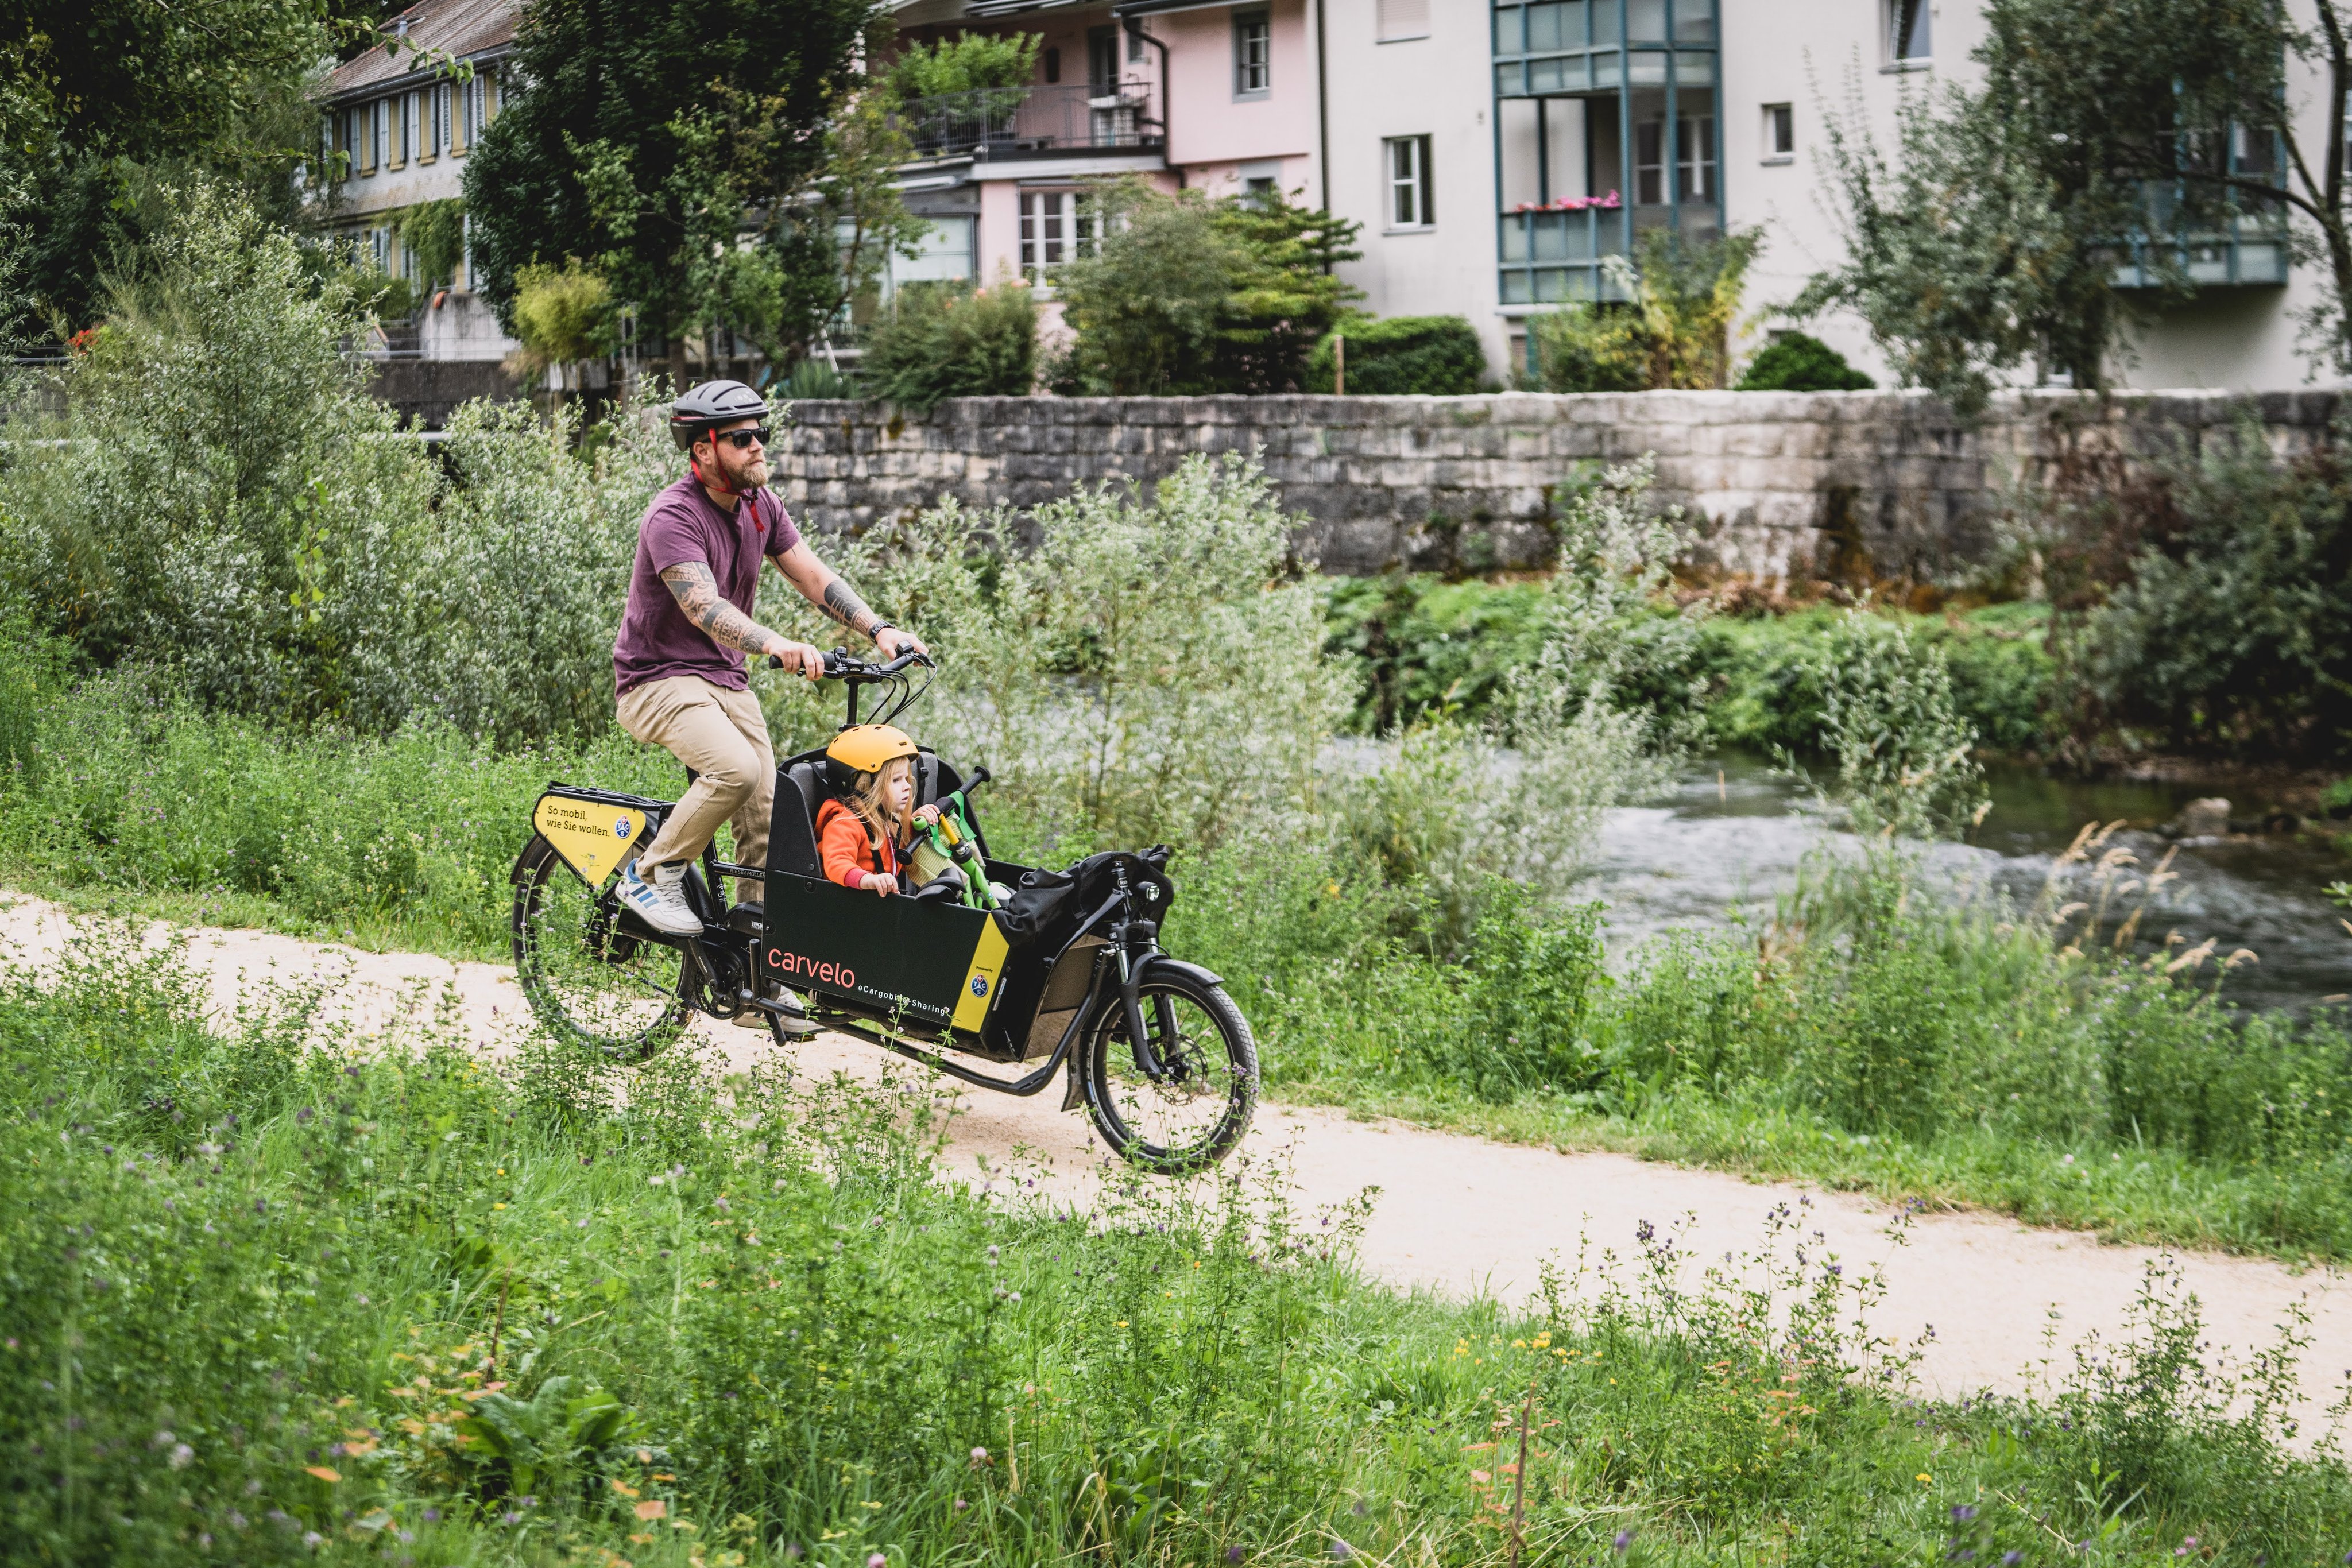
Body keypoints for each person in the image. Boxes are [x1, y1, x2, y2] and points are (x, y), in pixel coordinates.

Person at [610, 380, 927, 1021]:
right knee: (738, 769)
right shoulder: (673, 516)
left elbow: (813, 575)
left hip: (725, 682)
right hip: (658, 679)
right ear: (702, 449)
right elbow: (704, 607)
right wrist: (773, 642)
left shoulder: (760, 505)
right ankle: (649, 875)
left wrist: (879, 628)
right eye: (741, 437)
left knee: (771, 816)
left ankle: (759, 977)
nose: (758, 446)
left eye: (762, 433)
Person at [814, 725, 940, 897]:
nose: (907, 787)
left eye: (906, 778)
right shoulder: (844, 824)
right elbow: (837, 864)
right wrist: (868, 880)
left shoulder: (887, 820)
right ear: (867, 787)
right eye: (896, 780)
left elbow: (895, 854)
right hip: (846, 909)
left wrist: (914, 826)